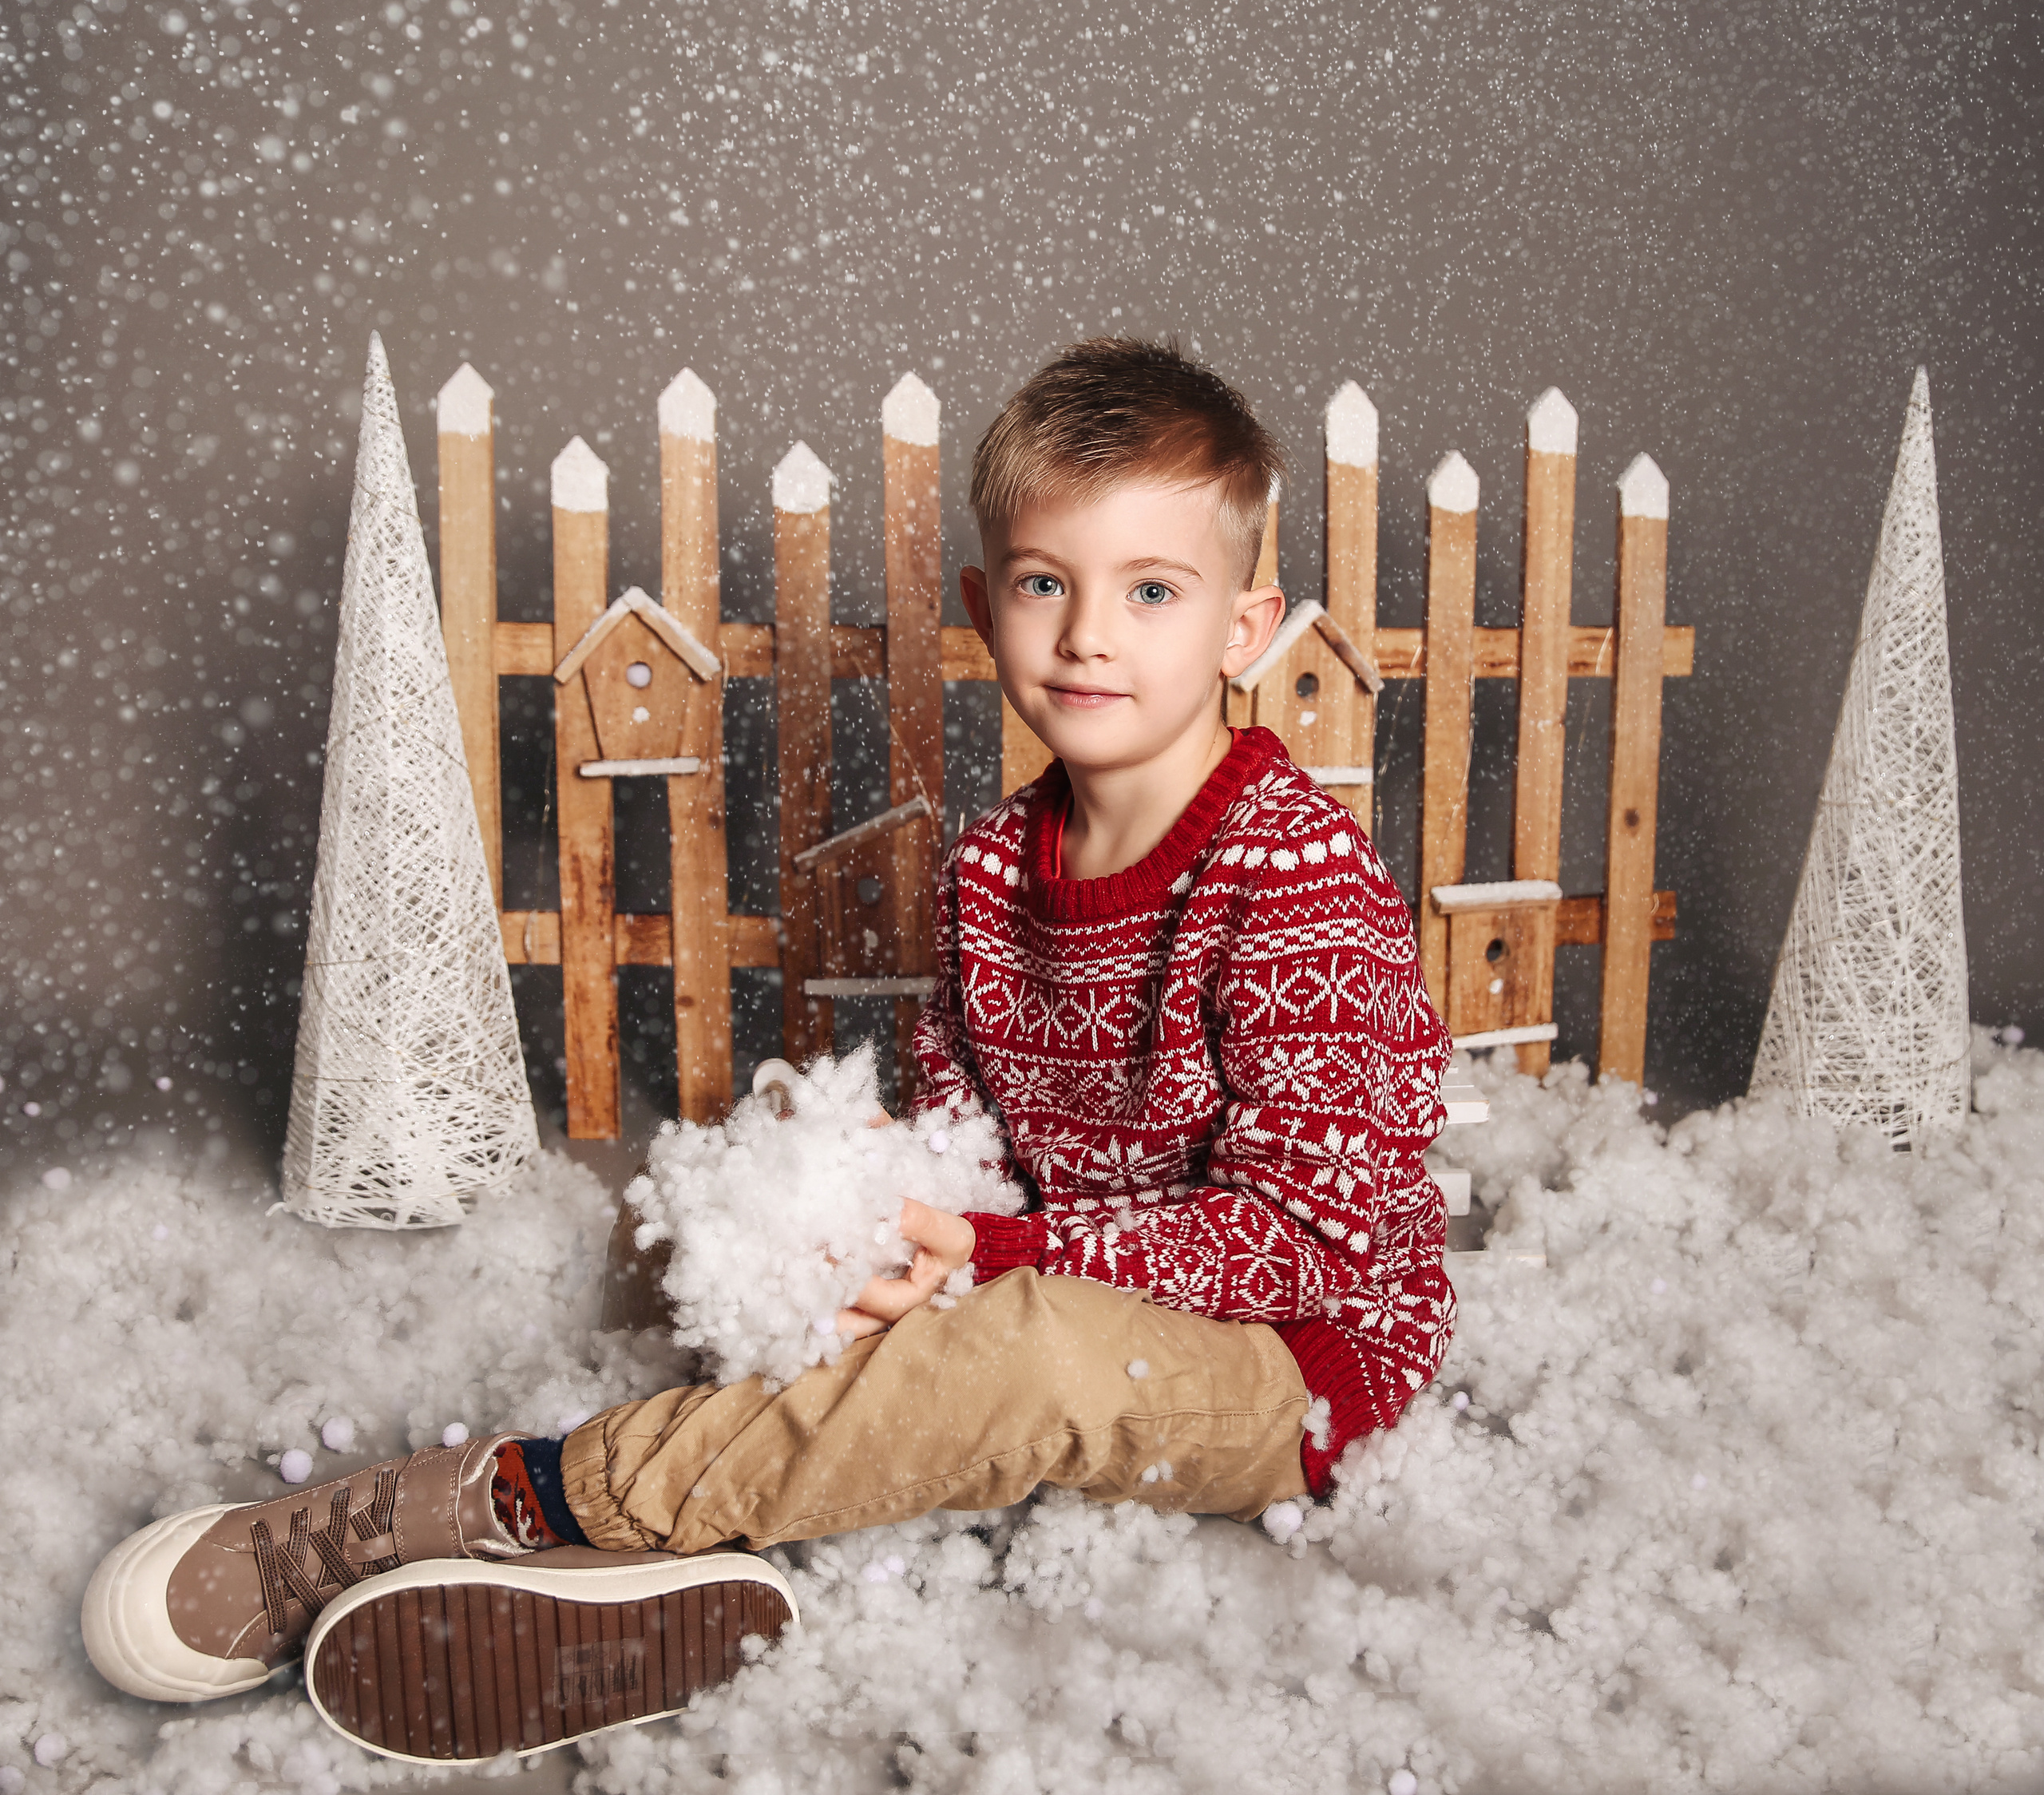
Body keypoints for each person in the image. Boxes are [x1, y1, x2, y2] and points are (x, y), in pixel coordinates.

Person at [82, 338, 1456, 1763]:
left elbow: (1310, 1240)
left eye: (1152, 592)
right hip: (1060, 1269)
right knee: (754, 1216)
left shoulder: (1298, 879)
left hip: (1290, 1365)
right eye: (1048, 584)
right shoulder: (992, 868)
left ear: (1244, 627)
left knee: (1032, 1355)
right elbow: (966, 1142)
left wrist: (993, 1261)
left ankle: (519, 1501)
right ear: (985, 605)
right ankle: (657, 1568)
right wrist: (880, 1228)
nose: (1089, 636)